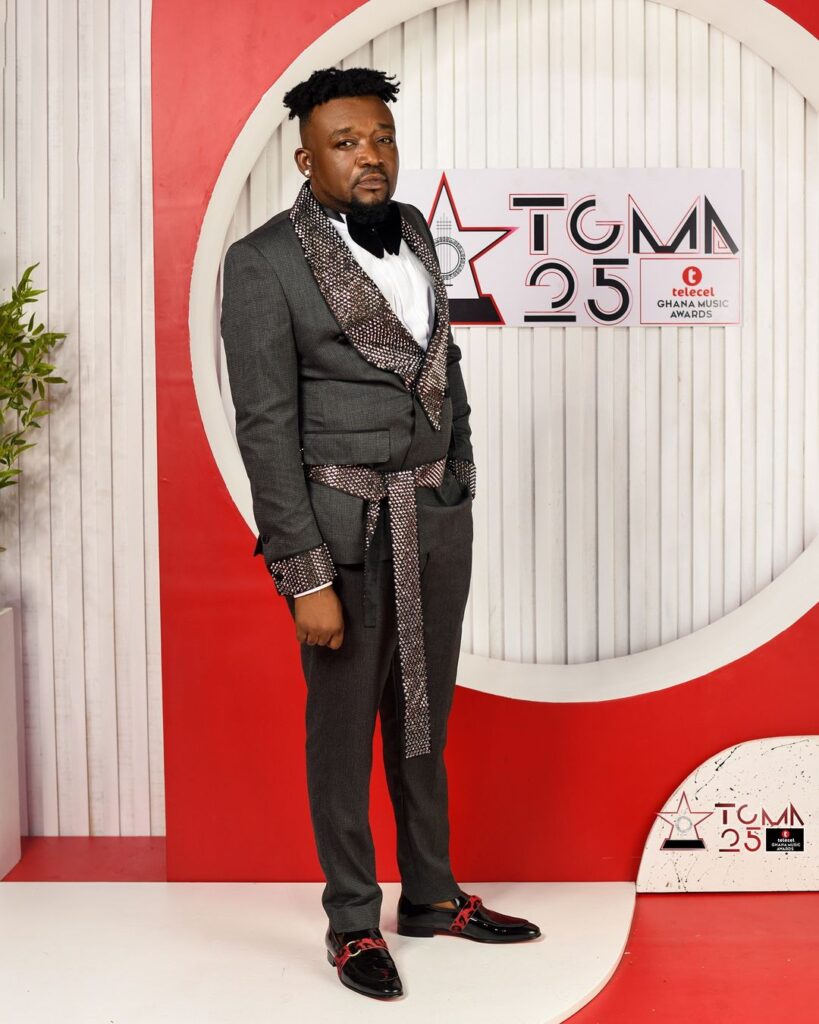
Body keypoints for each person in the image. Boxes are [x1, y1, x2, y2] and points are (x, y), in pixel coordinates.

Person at [220, 66, 540, 1001]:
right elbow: (265, 429)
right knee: (341, 734)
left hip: (435, 521)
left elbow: (442, 368)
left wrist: (461, 477)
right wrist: (303, 575)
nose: (370, 156)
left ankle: (431, 896)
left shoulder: (413, 232)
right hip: (343, 533)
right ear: (305, 159)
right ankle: (352, 920)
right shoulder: (262, 261)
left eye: (381, 138)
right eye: (346, 143)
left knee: (423, 718)